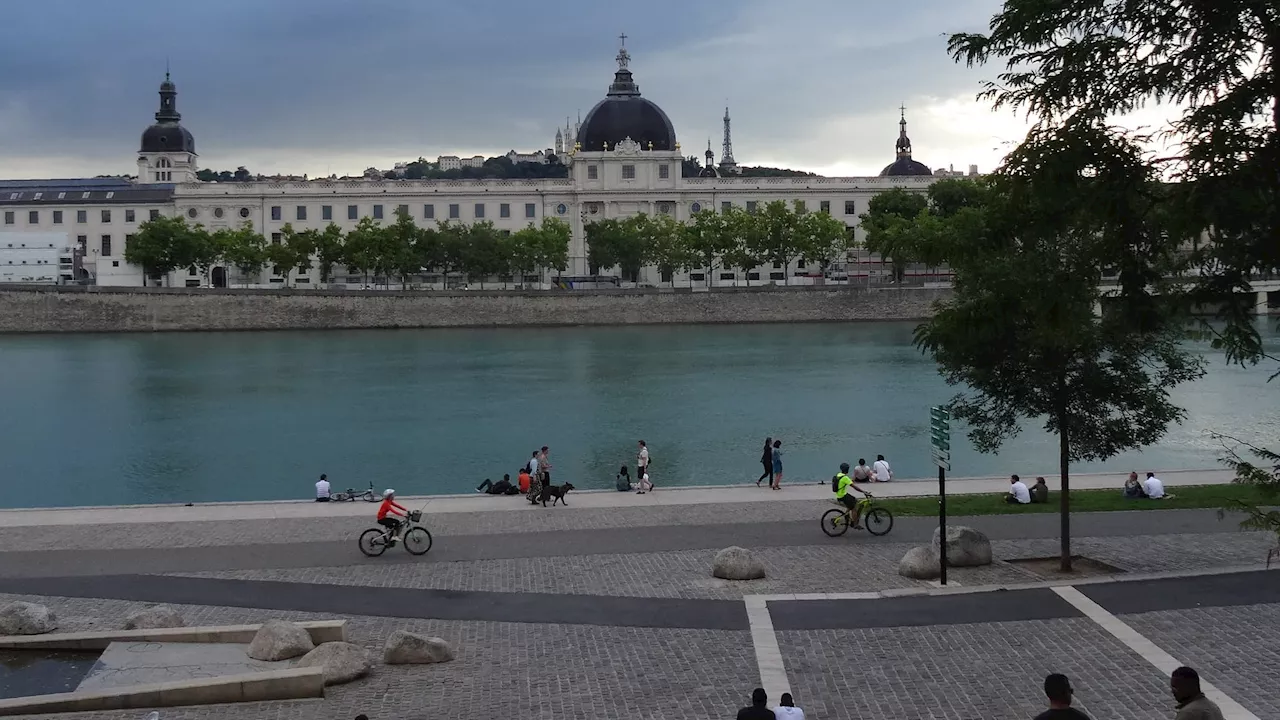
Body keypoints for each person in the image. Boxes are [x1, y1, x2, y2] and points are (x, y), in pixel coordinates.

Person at [834, 462, 871, 529]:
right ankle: (855, 524)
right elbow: (854, 487)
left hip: (840, 495)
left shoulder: (838, 475)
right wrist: (863, 492)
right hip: (843, 496)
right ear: (847, 469)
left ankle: (847, 515)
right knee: (854, 508)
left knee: (854, 501)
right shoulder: (845, 478)